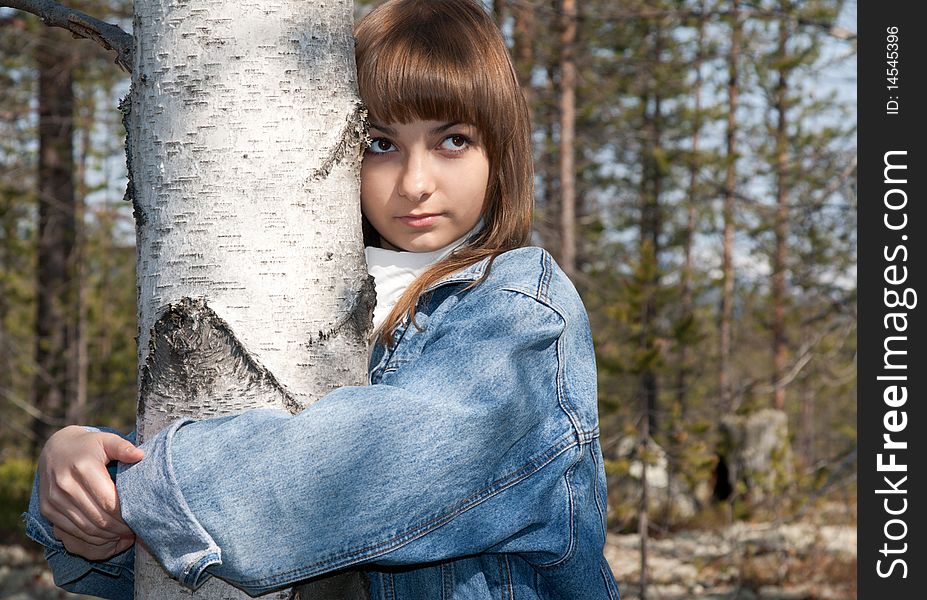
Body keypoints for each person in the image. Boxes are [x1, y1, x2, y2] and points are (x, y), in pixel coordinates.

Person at [24, 1, 621, 598]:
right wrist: (83, 477)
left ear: (502, 150)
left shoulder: (516, 311)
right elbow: (173, 550)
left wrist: (137, 489)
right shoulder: (314, 299)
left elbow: (347, 477)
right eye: (382, 143)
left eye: (453, 140)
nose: (416, 183)